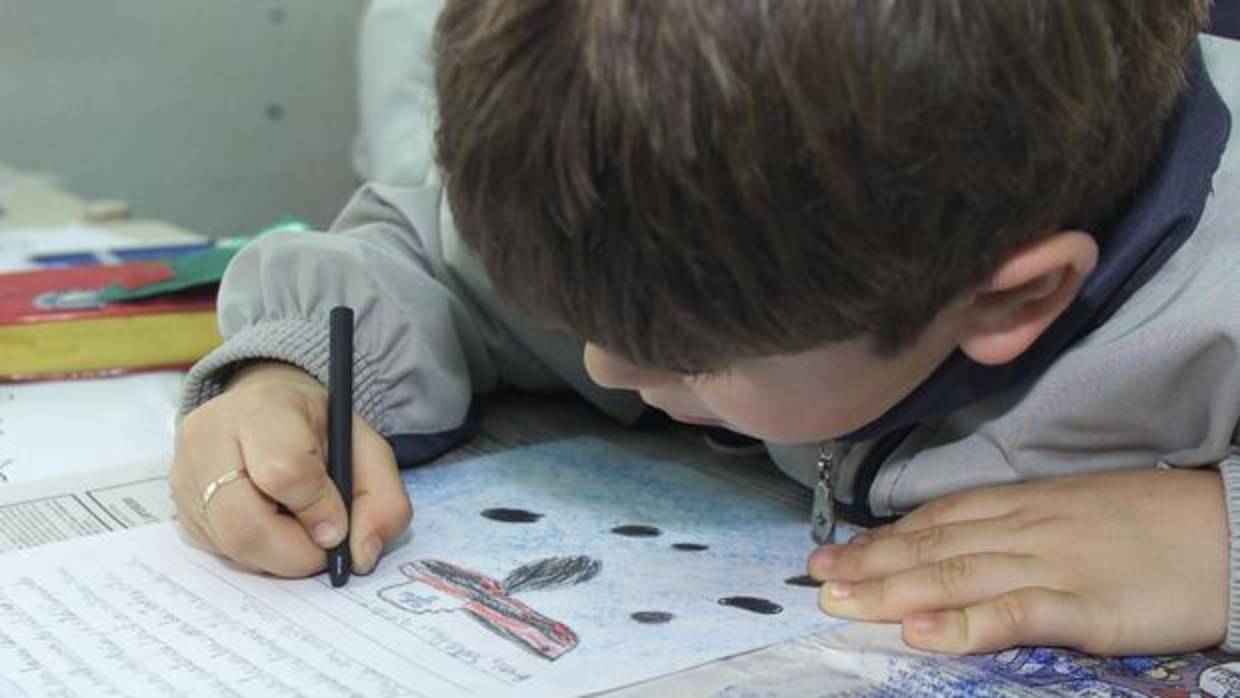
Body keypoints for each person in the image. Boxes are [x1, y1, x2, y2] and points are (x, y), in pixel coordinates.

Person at [170, 1, 1240, 657]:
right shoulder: (655, 188)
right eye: (572, 314)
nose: (602, 363)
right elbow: (415, 252)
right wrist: (288, 372)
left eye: (689, 356)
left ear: (1008, 297)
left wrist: (1218, 546)